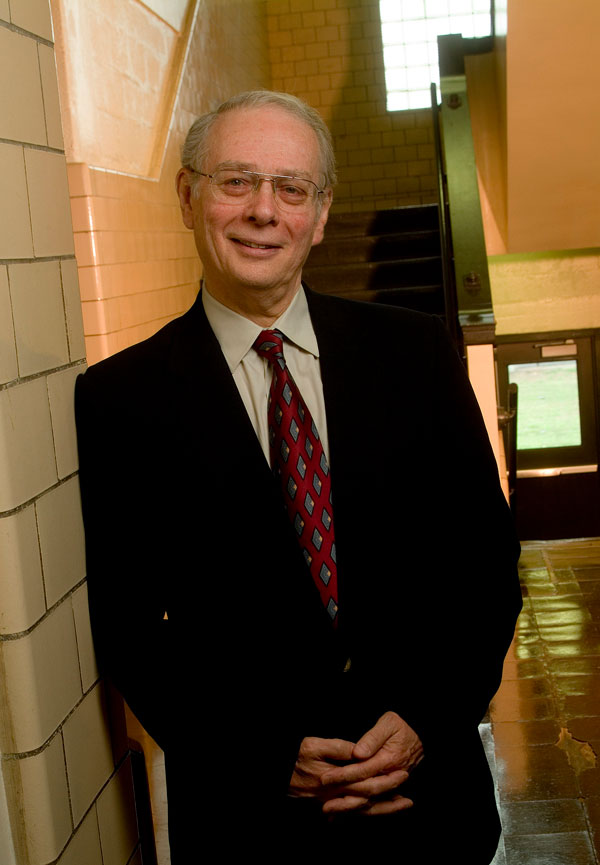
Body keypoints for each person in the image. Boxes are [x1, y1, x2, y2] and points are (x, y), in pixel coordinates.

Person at [75, 90, 522, 863]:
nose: (264, 210)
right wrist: (262, 754)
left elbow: (484, 568)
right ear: (187, 196)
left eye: (291, 188)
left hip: (430, 810)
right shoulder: (120, 398)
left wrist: (423, 719)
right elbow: (128, 626)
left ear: (320, 213)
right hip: (251, 826)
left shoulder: (415, 355)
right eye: (236, 181)